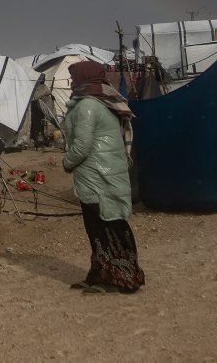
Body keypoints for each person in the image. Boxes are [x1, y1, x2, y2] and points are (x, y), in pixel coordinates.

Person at [62, 60, 145, 294]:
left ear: (84, 79)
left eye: (74, 78)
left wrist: (67, 163)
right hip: (104, 175)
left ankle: (120, 279)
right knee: (102, 228)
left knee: (106, 227)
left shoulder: (87, 105)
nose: (71, 82)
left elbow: (82, 145)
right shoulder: (102, 102)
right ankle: (101, 275)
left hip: (98, 177)